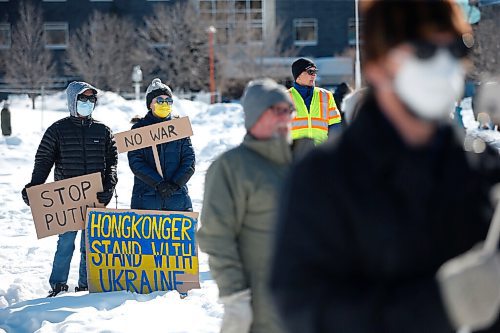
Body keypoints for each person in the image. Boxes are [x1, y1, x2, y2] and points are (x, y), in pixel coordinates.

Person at [270, 1, 500, 333]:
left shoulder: (482, 173)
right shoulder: (322, 182)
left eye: (454, 47)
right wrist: (445, 303)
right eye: (424, 50)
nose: (444, 64)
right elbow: (307, 313)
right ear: (377, 65)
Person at [198, 79, 294, 333]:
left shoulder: (302, 164)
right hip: (259, 305)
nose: (286, 118)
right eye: (278, 111)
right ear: (255, 116)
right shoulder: (231, 167)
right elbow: (216, 236)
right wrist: (234, 297)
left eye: (289, 111)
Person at [21, 81, 118, 297]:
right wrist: (35, 186)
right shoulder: (57, 130)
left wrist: (109, 185)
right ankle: (58, 284)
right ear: (72, 101)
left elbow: (112, 161)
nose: (87, 103)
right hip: (67, 199)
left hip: (95, 197)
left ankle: (86, 283)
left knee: (90, 244)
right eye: (82, 99)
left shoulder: (103, 131)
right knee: (66, 243)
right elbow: (44, 160)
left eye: (91, 99)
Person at [128, 78, 195, 212]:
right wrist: (158, 184)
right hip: (146, 200)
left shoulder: (179, 128)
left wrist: (175, 185)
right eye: (160, 100)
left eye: (168, 101)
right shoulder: (138, 129)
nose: (164, 104)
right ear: (150, 104)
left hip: (177, 201)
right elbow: (136, 162)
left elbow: (189, 161)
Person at [289, 57, 342, 145]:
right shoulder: (286, 97)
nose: (314, 75)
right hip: (296, 152)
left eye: (315, 72)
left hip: (321, 152)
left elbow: (335, 126)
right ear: (298, 76)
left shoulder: (326, 95)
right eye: (310, 72)